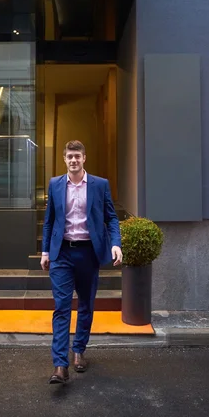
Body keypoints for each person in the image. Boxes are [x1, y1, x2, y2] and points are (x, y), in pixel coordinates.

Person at [41, 140, 122, 384]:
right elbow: (49, 221)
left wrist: (115, 243)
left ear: (84, 158)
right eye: (69, 157)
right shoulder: (55, 184)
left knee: (85, 305)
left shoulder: (99, 185)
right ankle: (59, 365)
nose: (73, 160)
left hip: (88, 253)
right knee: (62, 307)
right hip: (62, 254)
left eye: (77, 156)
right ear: (64, 159)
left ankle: (79, 350)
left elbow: (111, 217)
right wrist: (45, 252)